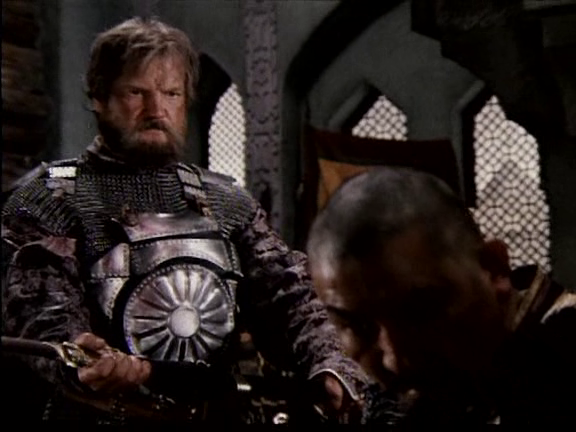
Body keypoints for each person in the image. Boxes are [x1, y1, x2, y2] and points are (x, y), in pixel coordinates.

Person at [1, 17, 379, 427]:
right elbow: (44, 312)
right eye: (136, 93)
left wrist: (328, 361)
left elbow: (288, 292)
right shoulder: (49, 197)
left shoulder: (225, 201)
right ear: (99, 97)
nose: (156, 110)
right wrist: (83, 356)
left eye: (171, 93)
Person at [306, 166, 576, 427]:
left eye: (419, 312)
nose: (395, 359)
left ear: (493, 268)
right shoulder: (402, 395)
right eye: (360, 327)